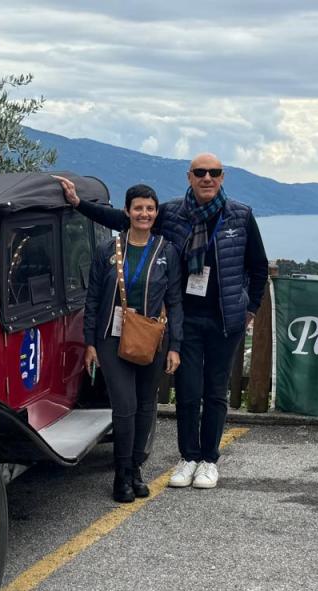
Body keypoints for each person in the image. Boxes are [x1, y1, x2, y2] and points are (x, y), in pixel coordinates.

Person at [56, 154, 268, 490]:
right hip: (186, 319)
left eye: (214, 173)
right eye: (200, 173)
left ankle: (208, 460)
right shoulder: (171, 213)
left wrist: (250, 308)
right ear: (190, 177)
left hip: (226, 319)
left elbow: (258, 266)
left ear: (222, 177)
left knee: (215, 392)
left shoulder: (239, 216)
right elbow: (126, 220)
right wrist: (80, 204)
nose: (207, 178)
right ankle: (188, 457)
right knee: (187, 391)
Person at [75, 183, 183, 503]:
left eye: (150, 209)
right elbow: (93, 298)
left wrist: (175, 346)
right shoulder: (108, 250)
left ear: (156, 213)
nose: (144, 214)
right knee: (125, 407)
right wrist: (90, 342)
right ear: (127, 211)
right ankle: (121, 475)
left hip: (153, 337)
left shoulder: (167, 251)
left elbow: (175, 302)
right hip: (111, 336)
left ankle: (136, 469)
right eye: (138, 208)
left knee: (146, 406)